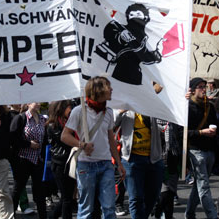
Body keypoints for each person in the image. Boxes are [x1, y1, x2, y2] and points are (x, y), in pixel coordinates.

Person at [61, 76, 126, 219]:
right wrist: (82, 145)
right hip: (86, 165)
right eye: (108, 86)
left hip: (106, 164)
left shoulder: (108, 112)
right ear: (98, 90)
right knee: (86, 210)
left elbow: (111, 139)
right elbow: (64, 136)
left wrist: (119, 163)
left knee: (109, 208)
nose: (112, 89)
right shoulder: (79, 111)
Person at [115, 109, 164, 219]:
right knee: (136, 199)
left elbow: (169, 115)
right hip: (132, 159)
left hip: (154, 159)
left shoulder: (151, 103)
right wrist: (122, 110)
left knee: (152, 196)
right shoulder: (125, 104)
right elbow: (111, 123)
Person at [97, 3, 163, 85]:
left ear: (146, 18)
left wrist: (154, 54)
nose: (135, 16)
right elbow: (110, 32)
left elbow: (150, 58)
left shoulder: (149, 39)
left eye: (138, 13)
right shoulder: (117, 27)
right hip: (118, 72)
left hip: (137, 77)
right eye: (131, 14)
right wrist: (121, 37)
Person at [185, 77, 218, 219]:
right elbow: (183, 133)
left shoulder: (210, 106)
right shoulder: (187, 107)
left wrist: (213, 131)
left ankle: (189, 213)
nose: (204, 89)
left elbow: (216, 124)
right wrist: (201, 132)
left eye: (204, 86)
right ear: (192, 90)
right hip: (195, 150)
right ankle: (212, 216)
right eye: (200, 87)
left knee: (199, 185)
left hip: (209, 150)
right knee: (203, 185)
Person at [46, 100, 76, 219]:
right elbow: (65, 140)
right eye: (69, 107)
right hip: (60, 164)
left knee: (67, 197)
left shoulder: (68, 122)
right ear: (61, 108)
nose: (71, 109)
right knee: (66, 198)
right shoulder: (52, 125)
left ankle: (52, 217)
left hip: (70, 162)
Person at [0, 105, 16, 219]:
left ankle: (5, 216)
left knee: (2, 192)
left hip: (2, 158)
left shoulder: (7, 116)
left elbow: (10, 135)